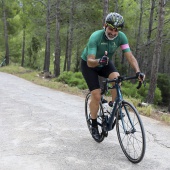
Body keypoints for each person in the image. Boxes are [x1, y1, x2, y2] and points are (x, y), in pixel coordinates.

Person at [81, 12, 145, 140]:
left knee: (117, 79)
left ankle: (111, 107)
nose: (113, 33)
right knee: (97, 95)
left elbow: (130, 56)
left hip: (105, 62)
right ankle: (94, 124)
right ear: (105, 26)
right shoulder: (96, 37)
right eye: (110, 29)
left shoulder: (121, 37)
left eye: (116, 30)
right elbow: (90, 60)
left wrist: (138, 71)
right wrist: (100, 61)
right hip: (90, 64)